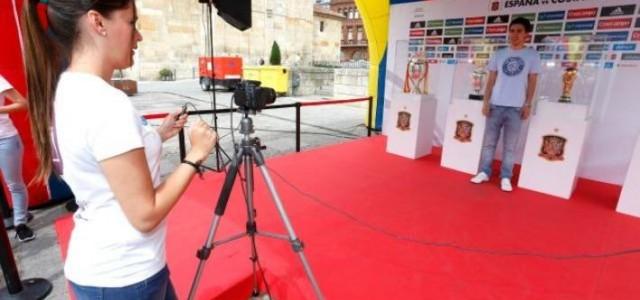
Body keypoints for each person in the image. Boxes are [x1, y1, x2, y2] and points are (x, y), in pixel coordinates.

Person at [22, 1, 217, 299]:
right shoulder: (106, 104)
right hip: (124, 277)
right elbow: (145, 214)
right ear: (98, 23)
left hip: (112, 267)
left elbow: (104, 157)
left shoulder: (69, 88)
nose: (138, 36)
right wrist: (195, 155)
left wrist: (157, 135)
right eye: (131, 23)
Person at [470, 17, 541, 192]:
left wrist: (528, 104)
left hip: (516, 108)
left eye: (519, 31)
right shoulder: (499, 54)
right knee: (489, 143)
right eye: (512, 30)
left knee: (510, 146)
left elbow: (532, 81)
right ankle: (484, 172)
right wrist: (486, 101)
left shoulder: (532, 55)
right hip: (495, 105)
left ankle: (506, 176)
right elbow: (491, 79)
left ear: (526, 35)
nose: (515, 34)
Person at [0, 74, 35, 242]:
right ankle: (23, 212)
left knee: (14, 184)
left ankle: (20, 224)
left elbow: (23, 104)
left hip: (4, 139)